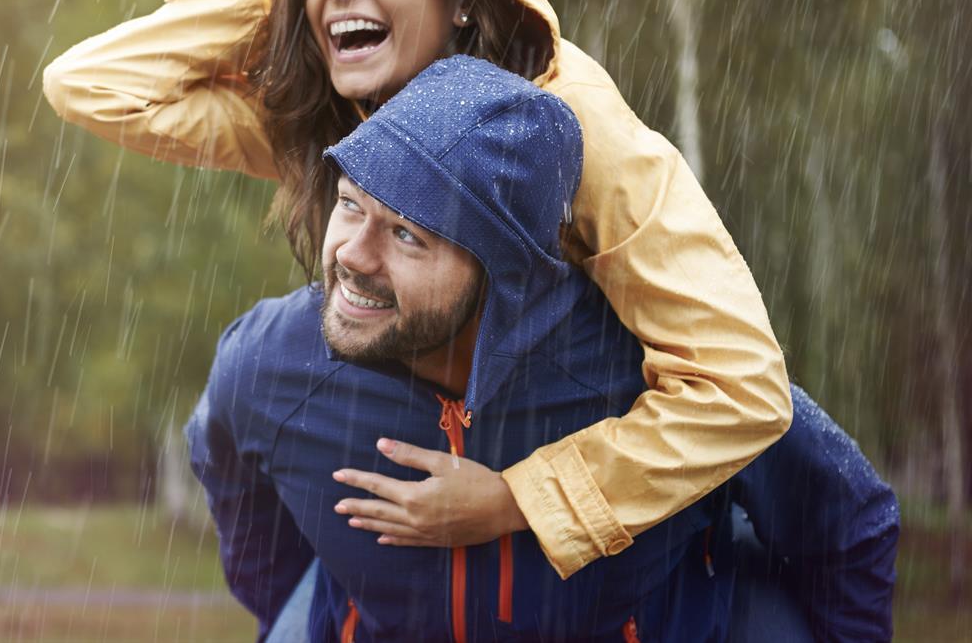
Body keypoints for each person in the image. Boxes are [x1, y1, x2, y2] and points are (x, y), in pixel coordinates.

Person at [44, 0, 792, 579]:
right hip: (403, 527)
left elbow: (740, 388)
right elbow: (92, 85)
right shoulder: (341, 115)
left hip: (613, 565)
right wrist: (281, 13)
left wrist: (516, 499)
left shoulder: (579, 130)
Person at [186, 57, 897, 642]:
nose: (353, 256)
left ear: (505, 274)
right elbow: (240, 503)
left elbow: (850, 521)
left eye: (408, 235)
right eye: (350, 204)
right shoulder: (271, 362)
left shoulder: (666, 378)